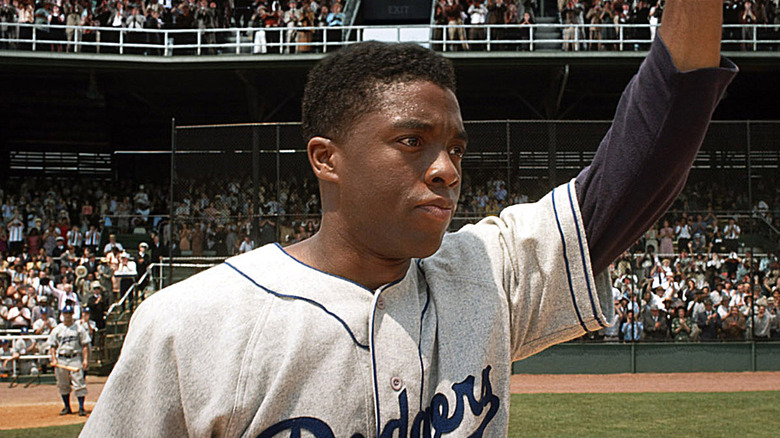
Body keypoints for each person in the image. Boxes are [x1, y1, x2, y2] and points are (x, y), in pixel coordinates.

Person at [84, 1, 736, 435]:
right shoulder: (189, 325)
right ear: (326, 158)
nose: (447, 169)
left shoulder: (486, 268)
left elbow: (644, 163)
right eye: (412, 141)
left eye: (456, 147)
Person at [48, 305, 90, 416]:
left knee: (79, 383)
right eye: (66, 313)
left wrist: (85, 359)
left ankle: (81, 407)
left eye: (69, 313)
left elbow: (85, 344)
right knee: (63, 384)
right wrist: (53, 359)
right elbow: (52, 346)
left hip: (75, 357)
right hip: (61, 359)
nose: (68, 316)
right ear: (62, 315)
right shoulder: (57, 329)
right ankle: (67, 407)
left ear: (72, 314)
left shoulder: (78, 328)